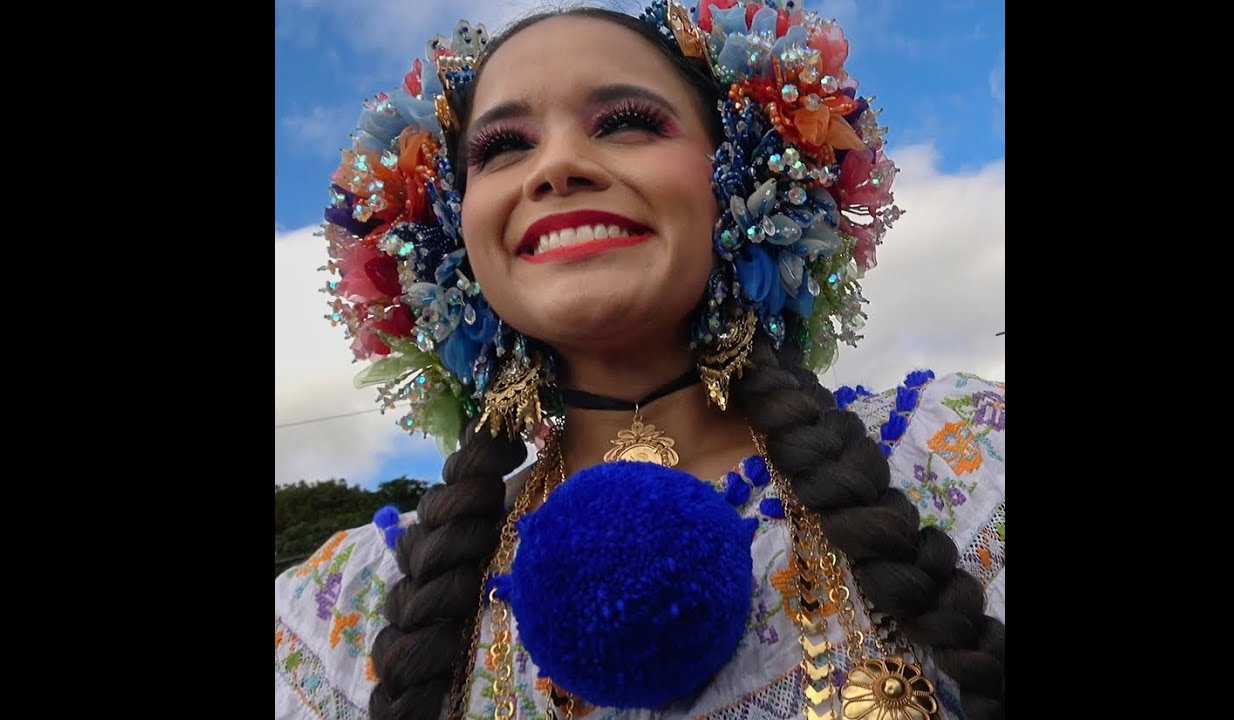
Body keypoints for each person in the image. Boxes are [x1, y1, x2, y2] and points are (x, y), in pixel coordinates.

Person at [274, 2, 1006, 719]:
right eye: (501, 148)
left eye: (626, 123)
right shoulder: (345, 609)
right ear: (448, 234)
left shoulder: (964, 460)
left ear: (745, 172)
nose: (556, 166)